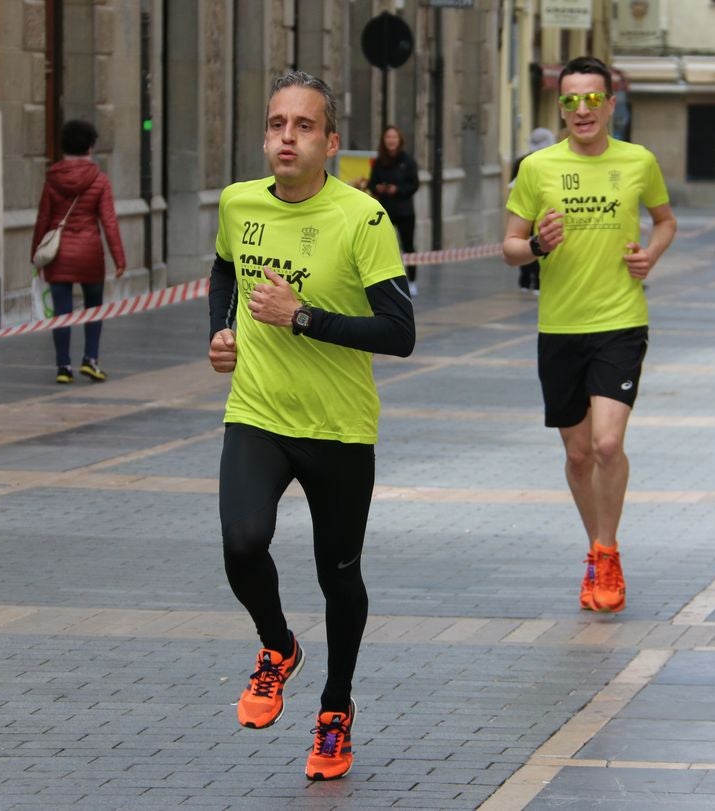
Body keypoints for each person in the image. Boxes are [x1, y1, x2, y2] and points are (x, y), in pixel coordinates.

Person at [207, 70, 415, 781]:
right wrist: (221, 331)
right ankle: (277, 647)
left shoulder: (363, 218)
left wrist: (301, 317)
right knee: (241, 542)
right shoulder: (239, 204)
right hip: (258, 413)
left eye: (302, 126)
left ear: (330, 141)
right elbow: (224, 271)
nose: (286, 137)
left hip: (339, 428)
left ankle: (335, 708)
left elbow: (400, 331)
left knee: (339, 578)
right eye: (275, 124)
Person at [502, 55, 676, 614]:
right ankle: (595, 546)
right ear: (560, 105)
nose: (582, 109)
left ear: (610, 104)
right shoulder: (537, 168)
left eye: (592, 99)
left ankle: (607, 553)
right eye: (571, 99)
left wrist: (650, 254)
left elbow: (666, 220)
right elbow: (509, 246)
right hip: (559, 327)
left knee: (606, 443)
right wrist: (536, 246)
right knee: (578, 456)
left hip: (620, 320)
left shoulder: (639, 161)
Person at [30, 119, 126, 384]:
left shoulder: (52, 179)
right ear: (90, 147)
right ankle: (90, 360)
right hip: (89, 254)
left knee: (62, 312)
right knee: (94, 307)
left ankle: (63, 366)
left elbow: (43, 219)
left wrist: (35, 254)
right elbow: (109, 221)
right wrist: (119, 258)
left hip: (58, 254)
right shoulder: (99, 180)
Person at [367, 125, 421, 295]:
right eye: (388, 137)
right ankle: (384, 282)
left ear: (399, 140)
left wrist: (397, 189)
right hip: (385, 211)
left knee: (408, 246)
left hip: (405, 211)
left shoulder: (408, 161)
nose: (391, 141)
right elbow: (371, 183)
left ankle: (412, 281)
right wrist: (379, 188)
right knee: (384, 247)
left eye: (394, 137)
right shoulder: (379, 161)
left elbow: (414, 184)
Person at [510, 127, 557, 292]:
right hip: (539, 211)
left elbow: (512, 187)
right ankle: (536, 282)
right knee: (537, 245)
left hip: (523, 211)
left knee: (528, 243)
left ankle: (524, 281)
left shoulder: (521, 161)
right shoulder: (549, 162)